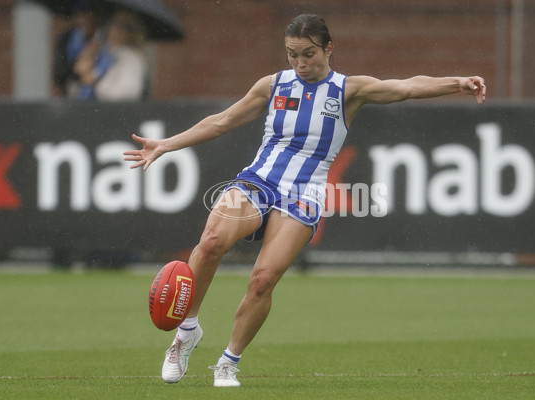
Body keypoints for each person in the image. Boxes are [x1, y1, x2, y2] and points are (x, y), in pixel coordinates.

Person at [123, 14, 486, 387]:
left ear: (328, 49)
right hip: (258, 180)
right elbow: (222, 121)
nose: (300, 63)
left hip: (305, 192)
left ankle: (229, 361)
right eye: (292, 55)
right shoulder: (273, 85)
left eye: (308, 54)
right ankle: (186, 333)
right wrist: (166, 144)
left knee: (263, 279)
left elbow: (407, 87)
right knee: (212, 241)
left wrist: (456, 82)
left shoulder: (349, 90)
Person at [73, 9, 148, 101]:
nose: (114, 28)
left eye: (121, 25)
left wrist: (94, 83)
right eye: (113, 23)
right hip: (89, 110)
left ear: (129, 32)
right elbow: (79, 85)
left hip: (116, 113)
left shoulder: (132, 59)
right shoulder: (103, 54)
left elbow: (127, 93)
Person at [52, 0, 106, 97]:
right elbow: (59, 73)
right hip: (71, 95)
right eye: (82, 15)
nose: (87, 19)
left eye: (91, 15)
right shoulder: (67, 39)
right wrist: (78, 66)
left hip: (98, 96)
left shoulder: (105, 40)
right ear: (76, 17)